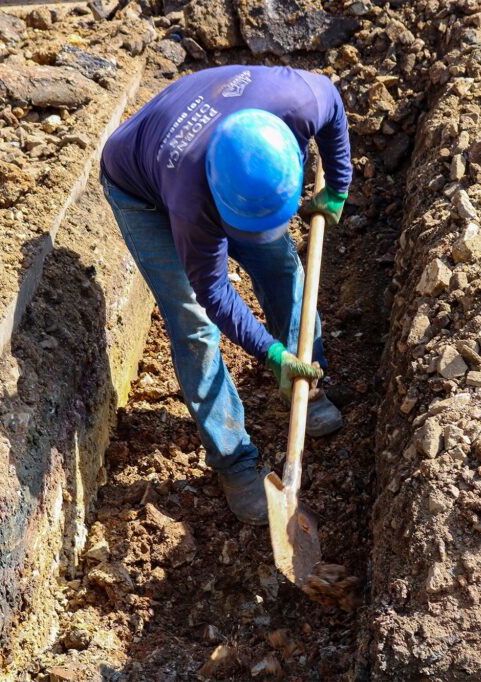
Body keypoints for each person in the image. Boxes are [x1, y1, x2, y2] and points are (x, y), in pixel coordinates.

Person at [100, 65, 352, 525]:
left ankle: (307, 385)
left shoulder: (297, 101)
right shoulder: (190, 201)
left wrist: (339, 184)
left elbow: (333, 105)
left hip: (207, 121)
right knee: (193, 324)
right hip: (141, 188)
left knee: (279, 262)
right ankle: (235, 462)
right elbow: (213, 294)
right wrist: (271, 353)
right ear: (221, 205)